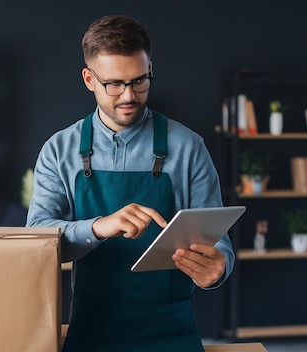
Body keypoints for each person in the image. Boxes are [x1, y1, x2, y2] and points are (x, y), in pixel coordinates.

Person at [26, 15, 234, 352]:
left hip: (172, 327)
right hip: (91, 327)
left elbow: (219, 241)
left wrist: (218, 268)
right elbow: (37, 239)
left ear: (150, 68)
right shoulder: (58, 150)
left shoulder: (189, 147)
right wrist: (99, 226)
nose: (129, 95)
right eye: (114, 84)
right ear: (89, 79)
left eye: (139, 80)